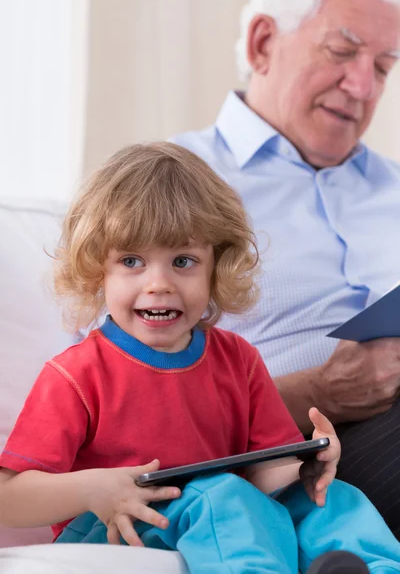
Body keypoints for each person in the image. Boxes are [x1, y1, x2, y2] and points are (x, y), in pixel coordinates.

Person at [0, 142, 398, 574]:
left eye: (183, 261)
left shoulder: (238, 360)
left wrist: (310, 465)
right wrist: (91, 488)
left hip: (223, 511)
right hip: (116, 527)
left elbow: (271, 476)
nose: (159, 284)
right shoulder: (75, 375)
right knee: (221, 496)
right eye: (132, 261)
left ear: (215, 268)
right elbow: (8, 498)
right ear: (100, 270)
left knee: (333, 497)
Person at [171, 0, 400, 538]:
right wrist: (315, 391)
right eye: (343, 51)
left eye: (383, 66)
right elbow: (119, 391)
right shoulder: (172, 183)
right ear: (263, 43)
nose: (363, 86)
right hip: (306, 449)